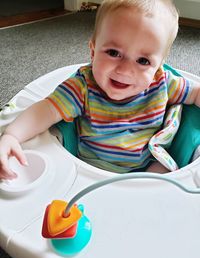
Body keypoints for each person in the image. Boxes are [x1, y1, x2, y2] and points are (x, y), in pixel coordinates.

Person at [0, 0, 200, 179]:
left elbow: (195, 93)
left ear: (158, 66)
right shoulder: (83, 87)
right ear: (93, 51)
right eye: (114, 53)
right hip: (91, 168)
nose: (125, 70)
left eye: (143, 61)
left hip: (147, 166)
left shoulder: (163, 82)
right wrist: (11, 135)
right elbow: (45, 110)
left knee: (168, 183)